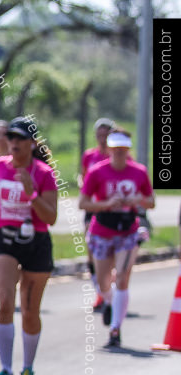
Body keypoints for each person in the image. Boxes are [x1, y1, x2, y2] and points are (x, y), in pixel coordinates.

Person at [0, 116, 58, 375]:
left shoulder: (43, 173)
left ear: (32, 143)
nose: (13, 142)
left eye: (19, 138)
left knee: (29, 312)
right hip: (4, 238)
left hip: (35, 242)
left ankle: (27, 368)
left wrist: (32, 193)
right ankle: (6, 370)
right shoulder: (0, 165)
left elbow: (51, 217)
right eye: (10, 137)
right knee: (4, 300)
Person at [79, 129, 155, 347]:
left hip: (128, 230)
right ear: (110, 150)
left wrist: (137, 199)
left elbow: (151, 201)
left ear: (128, 150)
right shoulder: (97, 172)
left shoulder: (139, 172)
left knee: (122, 277)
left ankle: (115, 329)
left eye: (123, 150)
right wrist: (106, 204)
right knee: (103, 283)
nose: (120, 154)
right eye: (116, 150)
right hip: (103, 229)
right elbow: (83, 203)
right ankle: (111, 302)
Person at [79, 118, 115, 311]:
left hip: (111, 212)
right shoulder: (89, 155)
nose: (102, 139)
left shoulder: (117, 156)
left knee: (110, 255)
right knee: (91, 249)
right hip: (92, 207)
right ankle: (100, 293)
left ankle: (109, 288)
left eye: (106, 135)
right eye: (99, 135)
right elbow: (84, 176)